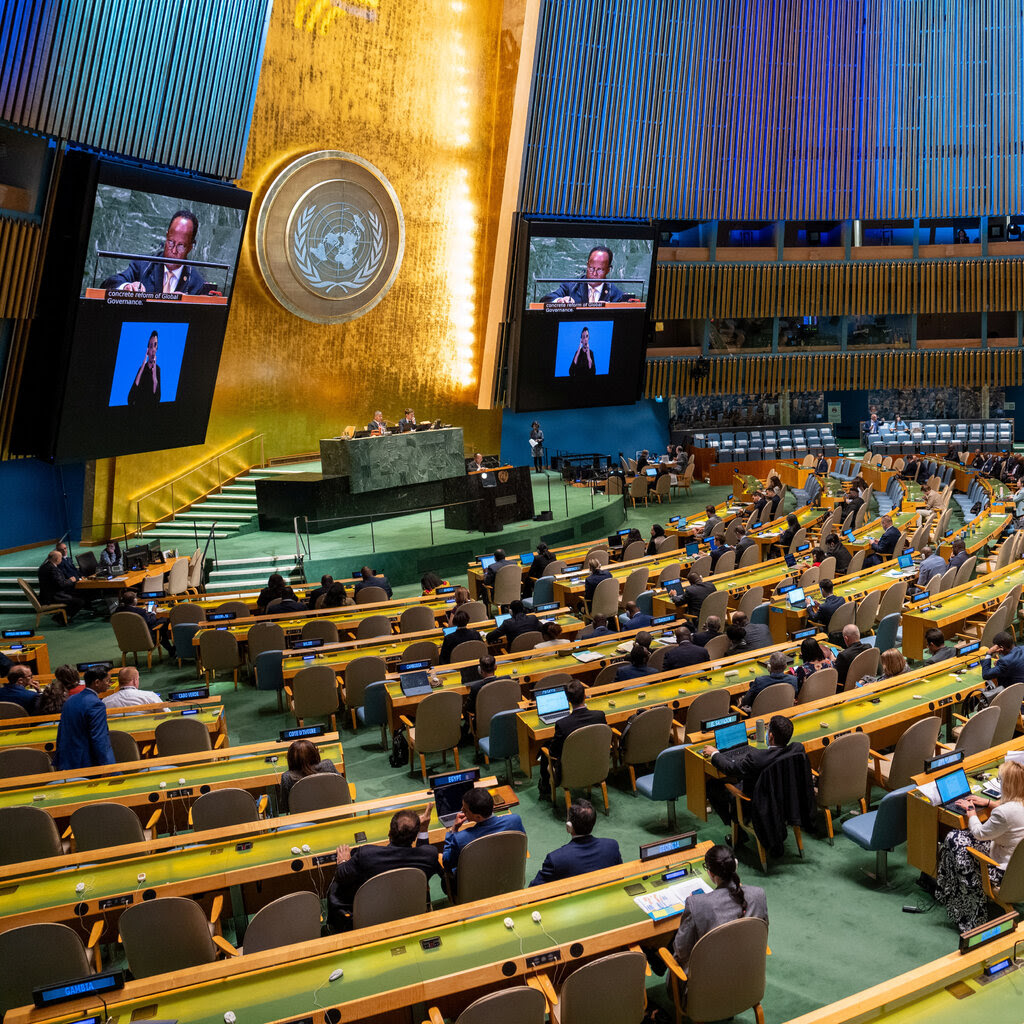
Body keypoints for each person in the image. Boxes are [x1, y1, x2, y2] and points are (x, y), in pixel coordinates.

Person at [935, 759, 1024, 930]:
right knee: (958, 836)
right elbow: (1014, 812)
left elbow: (979, 833)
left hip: (1002, 871)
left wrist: (970, 811)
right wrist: (990, 803)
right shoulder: (1016, 805)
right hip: (1017, 862)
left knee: (955, 840)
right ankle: (947, 888)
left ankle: (968, 909)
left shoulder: (1003, 813)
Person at [327, 806, 440, 931]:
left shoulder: (366, 854)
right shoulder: (430, 856)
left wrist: (343, 860)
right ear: (415, 837)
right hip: (408, 909)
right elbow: (424, 855)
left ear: (389, 832)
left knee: (336, 889)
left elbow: (342, 875)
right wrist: (423, 830)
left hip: (372, 914)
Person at [667, 844, 768, 974]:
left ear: (710, 872)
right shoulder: (758, 895)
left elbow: (681, 951)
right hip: (748, 978)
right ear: (735, 865)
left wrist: (696, 903)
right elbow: (762, 933)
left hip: (706, 984)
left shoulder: (696, 903)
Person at [702, 715, 803, 829]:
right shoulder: (795, 751)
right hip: (784, 801)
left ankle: (738, 831)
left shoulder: (757, 759)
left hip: (758, 805)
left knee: (712, 785)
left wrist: (715, 753)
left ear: (770, 736)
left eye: (767, 728)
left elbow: (731, 768)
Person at [102, 209, 207, 294]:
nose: (173, 250)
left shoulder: (197, 283)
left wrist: (187, 305)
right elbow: (109, 284)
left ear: (190, 248)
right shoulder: (143, 266)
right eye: (171, 242)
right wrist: (126, 287)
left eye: (181, 246)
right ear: (166, 237)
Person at [538, 679, 607, 799]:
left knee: (545, 750)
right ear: (585, 696)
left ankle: (545, 791)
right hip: (596, 765)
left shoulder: (563, 724)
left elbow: (554, 753)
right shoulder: (599, 716)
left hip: (571, 771)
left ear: (568, 700)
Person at [529, 799, 621, 886]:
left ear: (569, 827)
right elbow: (620, 876)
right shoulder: (612, 846)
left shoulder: (556, 859)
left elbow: (535, 890)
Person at [442, 787, 526, 882]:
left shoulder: (461, 839)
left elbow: (447, 862)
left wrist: (453, 830)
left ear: (478, 816)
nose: (461, 810)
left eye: (465, 810)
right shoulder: (515, 820)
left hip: (477, 886)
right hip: (509, 879)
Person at [53, 667, 115, 770]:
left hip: (66, 759)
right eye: (107, 681)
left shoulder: (71, 699)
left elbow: (61, 730)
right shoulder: (96, 704)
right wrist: (106, 765)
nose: (109, 684)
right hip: (86, 761)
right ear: (97, 682)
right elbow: (99, 737)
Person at [541, 244, 627, 304]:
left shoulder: (615, 294)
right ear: (587, 265)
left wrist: (608, 309)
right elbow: (545, 300)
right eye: (591, 268)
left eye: (599, 269)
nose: (594, 273)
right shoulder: (571, 286)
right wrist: (559, 300)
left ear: (608, 270)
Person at [280, 739, 342, 814]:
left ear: (290, 758)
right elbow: (341, 787)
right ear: (315, 754)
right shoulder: (328, 765)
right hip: (333, 814)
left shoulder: (287, 777)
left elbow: (285, 807)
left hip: (303, 821)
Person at [118, 590, 175, 656]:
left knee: (161, 622)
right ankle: (171, 648)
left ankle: (170, 649)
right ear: (134, 600)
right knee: (163, 623)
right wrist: (153, 612)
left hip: (126, 640)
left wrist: (147, 613)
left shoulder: (118, 611)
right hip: (145, 639)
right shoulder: (140, 612)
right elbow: (150, 622)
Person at [37, 550, 84, 622]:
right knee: (79, 601)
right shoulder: (52, 569)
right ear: (57, 559)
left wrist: (67, 580)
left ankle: (63, 616)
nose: (61, 560)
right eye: (61, 558)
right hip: (53, 596)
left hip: (48, 594)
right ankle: (61, 618)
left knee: (77, 595)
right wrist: (71, 580)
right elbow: (61, 584)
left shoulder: (44, 567)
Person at [127, 330, 162, 407]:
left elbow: (157, 398)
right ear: (147, 350)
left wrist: (154, 376)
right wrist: (143, 365)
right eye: (151, 346)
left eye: (155, 345)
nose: (153, 349)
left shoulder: (157, 369)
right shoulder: (142, 369)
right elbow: (130, 398)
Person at [834, 624, 870, 689]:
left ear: (846, 638)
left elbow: (836, 676)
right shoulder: (868, 647)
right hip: (866, 680)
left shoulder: (843, 656)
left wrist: (833, 661)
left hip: (848, 687)